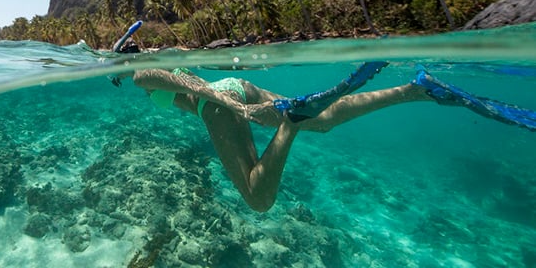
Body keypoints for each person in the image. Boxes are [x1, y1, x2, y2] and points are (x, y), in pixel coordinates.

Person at [132, 64, 536, 212]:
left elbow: (183, 80)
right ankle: (414, 90)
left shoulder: (138, 73)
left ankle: (291, 123)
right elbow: (187, 73)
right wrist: (232, 97)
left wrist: (231, 106)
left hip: (220, 103)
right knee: (322, 120)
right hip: (235, 86)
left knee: (258, 197)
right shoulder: (162, 53)